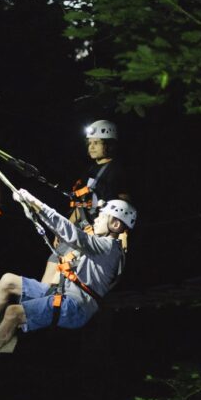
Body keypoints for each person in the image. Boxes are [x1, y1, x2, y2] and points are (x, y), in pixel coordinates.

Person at [0, 190, 136, 384]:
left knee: (14, 313)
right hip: (65, 292)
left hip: (75, 306)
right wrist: (31, 208)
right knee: (8, 281)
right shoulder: (105, 246)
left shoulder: (108, 247)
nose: (96, 220)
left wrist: (37, 203)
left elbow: (69, 231)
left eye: (102, 217)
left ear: (115, 224)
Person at [40, 119, 131, 284]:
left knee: (66, 267)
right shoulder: (89, 171)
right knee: (55, 258)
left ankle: (48, 302)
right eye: (90, 143)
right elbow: (80, 205)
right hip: (82, 228)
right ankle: (41, 300)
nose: (92, 147)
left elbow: (124, 204)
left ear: (109, 145)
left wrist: (123, 234)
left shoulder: (117, 171)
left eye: (97, 143)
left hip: (98, 233)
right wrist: (62, 230)